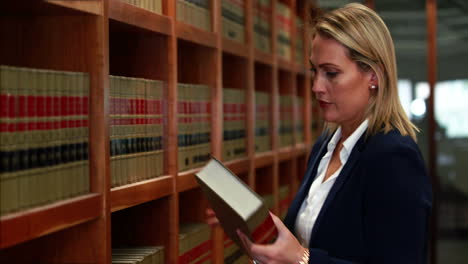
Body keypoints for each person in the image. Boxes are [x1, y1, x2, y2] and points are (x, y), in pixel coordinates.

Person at [208, 3, 432, 264]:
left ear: (374, 75)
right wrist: (267, 240)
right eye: (315, 70)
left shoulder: (393, 156)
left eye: (331, 73)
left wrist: (302, 259)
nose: (316, 87)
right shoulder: (325, 145)